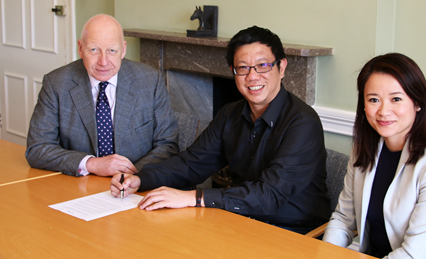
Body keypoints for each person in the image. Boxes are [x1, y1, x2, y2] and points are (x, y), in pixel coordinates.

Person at [111, 26, 330, 234]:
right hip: (240, 220)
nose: (252, 76)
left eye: (263, 66)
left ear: (281, 68)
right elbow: (191, 164)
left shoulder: (303, 122)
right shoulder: (230, 115)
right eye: (243, 67)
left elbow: (270, 195)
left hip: (293, 232)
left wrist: (193, 198)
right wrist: (140, 179)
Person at [322, 53, 426, 258]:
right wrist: (325, 254)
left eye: (396, 99)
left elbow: (414, 253)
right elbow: (343, 220)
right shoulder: (363, 149)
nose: (384, 111)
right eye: (374, 99)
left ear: (418, 102)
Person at [26, 14, 179, 177]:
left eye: (112, 51)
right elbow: (37, 149)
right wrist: (90, 163)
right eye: (94, 50)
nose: (103, 62)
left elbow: (167, 145)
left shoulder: (150, 81)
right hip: (79, 184)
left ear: (123, 49)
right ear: (80, 48)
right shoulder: (56, 83)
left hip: (135, 182)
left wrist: (131, 176)